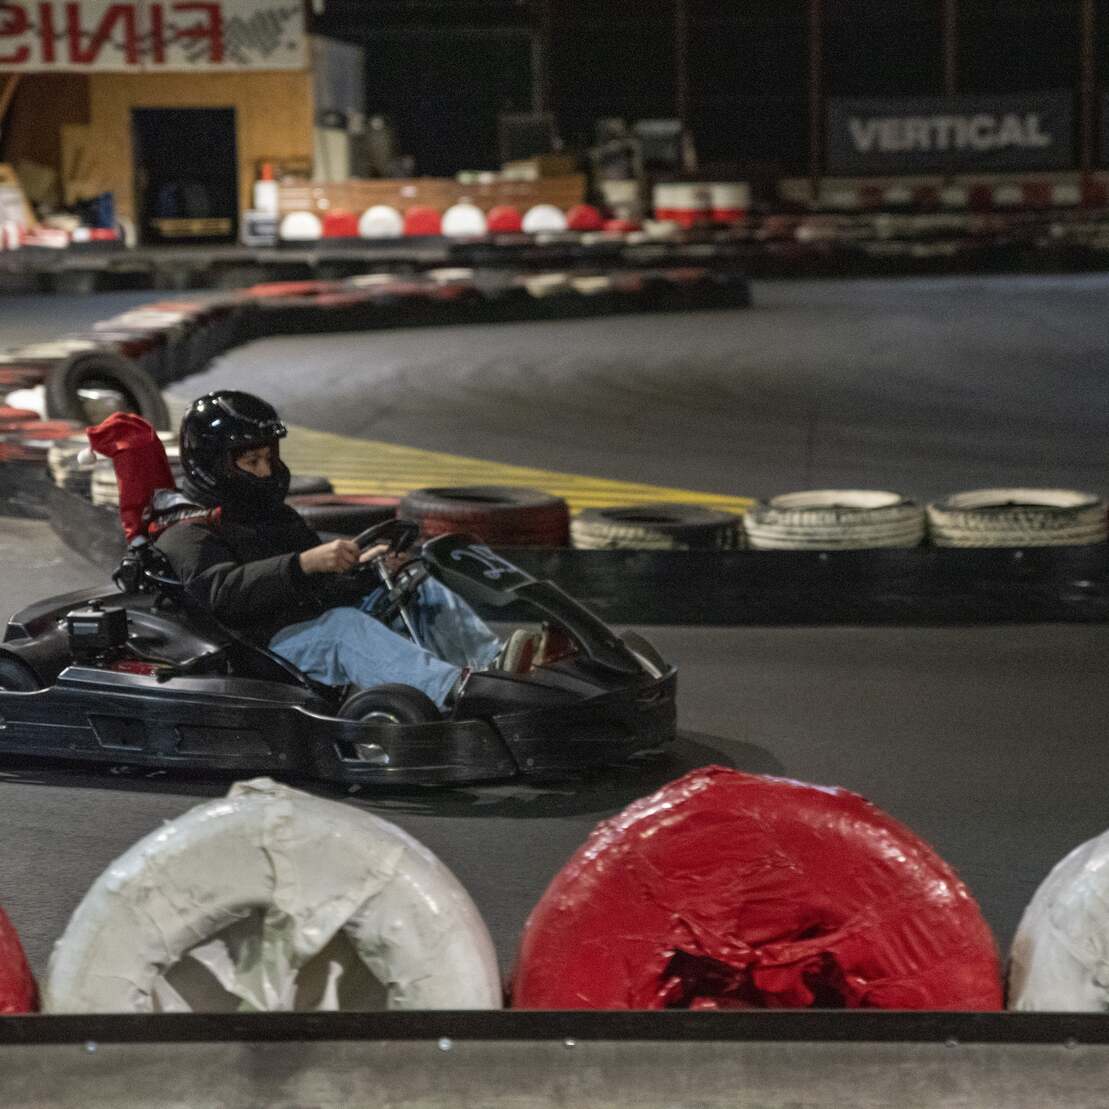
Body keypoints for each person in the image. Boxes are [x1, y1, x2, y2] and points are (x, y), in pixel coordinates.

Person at [153, 390, 503, 708]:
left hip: (306, 619)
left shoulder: (269, 513)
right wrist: (302, 564)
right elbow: (222, 592)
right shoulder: (188, 527)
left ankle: (497, 668)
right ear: (214, 465)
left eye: (268, 458)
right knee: (344, 628)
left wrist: (362, 568)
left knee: (413, 586)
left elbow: (316, 582)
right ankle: (454, 695)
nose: (265, 472)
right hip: (258, 646)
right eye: (251, 462)